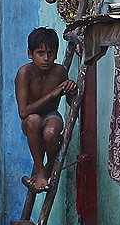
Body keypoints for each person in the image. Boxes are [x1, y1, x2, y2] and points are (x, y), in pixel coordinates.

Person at [15, 27, 77, 191]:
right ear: (30, 54)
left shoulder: (59, 72)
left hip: (51, 116)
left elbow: (71, 101)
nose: (46, 58)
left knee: (50, 133)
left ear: (56, 54)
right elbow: (23, 113)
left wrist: (72, 88)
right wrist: (51, 95)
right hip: (31, 121)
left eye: (50, 53)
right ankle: (40, 170)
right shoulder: (24, 73)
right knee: (34, 119)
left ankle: (50, 163)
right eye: (40, 53)